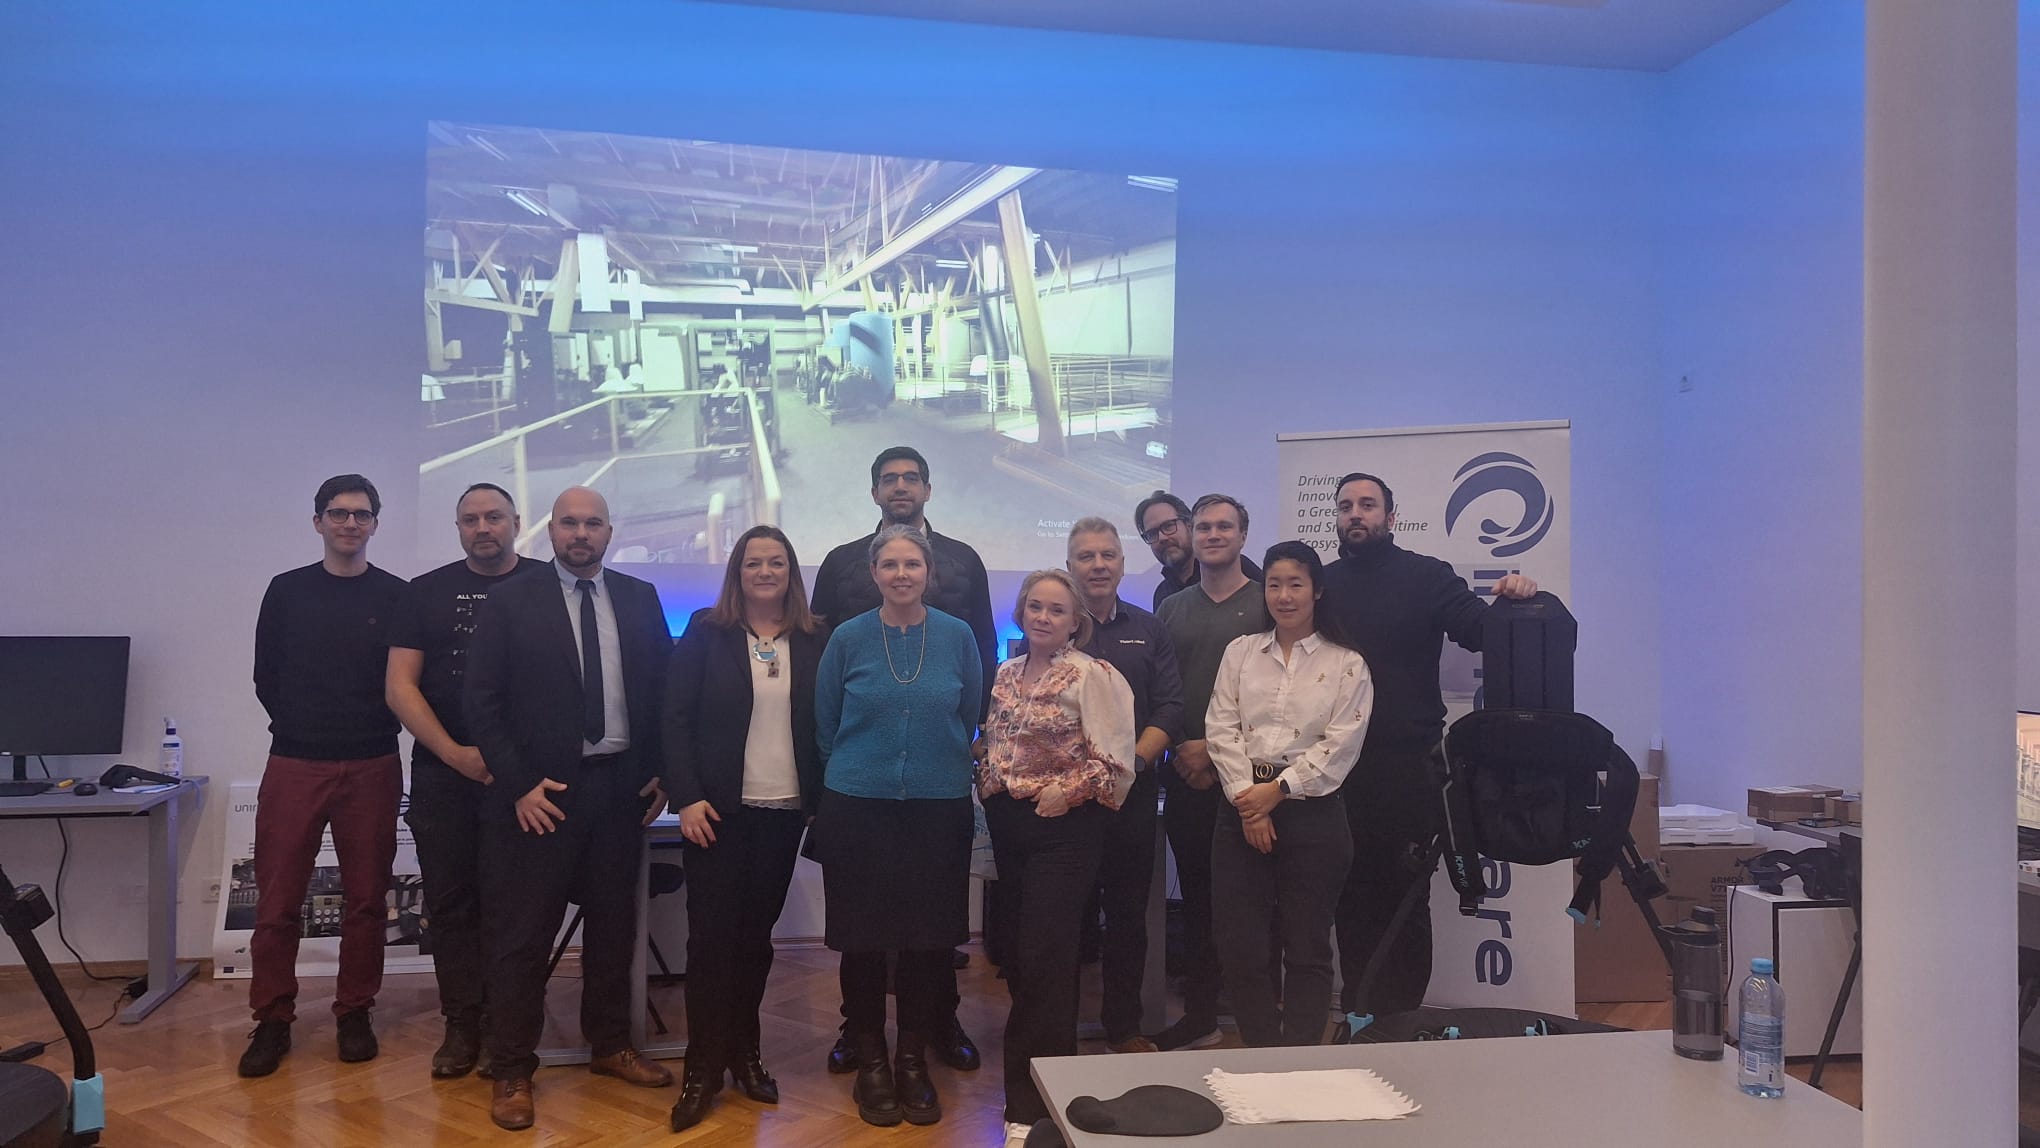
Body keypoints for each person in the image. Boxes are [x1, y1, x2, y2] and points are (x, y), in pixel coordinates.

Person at [463, 486, 675, 1132]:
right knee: (523, 936)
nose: (580, 534)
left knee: (614, 928)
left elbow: (663, 691)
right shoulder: (511, 600)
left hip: (619, 790)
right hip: (541, 795)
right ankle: (512, 1069)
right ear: (550, 531)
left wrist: (661, 771)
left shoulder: (639, 598)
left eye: (592, 524)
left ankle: (610, 1044)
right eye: (569, 524)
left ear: (610, 532)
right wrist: (519, 785)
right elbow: (481, 702)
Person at [1322, 472, 1538, 1020]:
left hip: (1408, 770)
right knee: (1350, 897)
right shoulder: (1321, 585)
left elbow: (1482, 631)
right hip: (1334, 770)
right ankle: (1360, 1016)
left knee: (1406, 898)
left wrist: (1513, 598)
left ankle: (1402, 1021)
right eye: (1346, 506)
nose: (1355, 514)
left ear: (1391, 517)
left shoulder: (1427, 576)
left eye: (1367, 504)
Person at [811, 446, 994, 1074]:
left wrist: (951, 751)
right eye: (889, 564)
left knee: (932, 932)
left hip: (937, 796)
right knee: (862, 932)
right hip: (860, 797)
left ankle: (930, 1031)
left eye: (911, 563)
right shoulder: (844, 606)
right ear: (873, 570)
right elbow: (827, 718)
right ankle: (862, 1037)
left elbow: (972, 696)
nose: (900, 572)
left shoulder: (961, 597)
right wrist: (857, 766)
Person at [239, 474, 407, 1078]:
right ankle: (272, 1018)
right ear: (318, 522)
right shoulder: (286, 591)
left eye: (361, 514)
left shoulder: (396, 595)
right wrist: (302, 726)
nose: (349, 523)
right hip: (296, 760)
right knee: (278, 901)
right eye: (338, 513)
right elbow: (265, 674)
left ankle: (354, 1011)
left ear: (375, 524)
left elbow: (406, 681)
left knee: (366, 899)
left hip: (373, 763)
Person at [660, 526, 828, 1132]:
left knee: (755, 942)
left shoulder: (815, 636)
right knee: (710, 944)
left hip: (783, 811)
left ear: (791, 571)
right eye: (753, 562)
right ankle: (701, 1068)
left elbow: (828, 722)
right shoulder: (706, 630)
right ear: (737, 571)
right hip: (716, 815)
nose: (764, 571)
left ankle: (745, 1053)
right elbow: (674, 718)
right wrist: (687, 798)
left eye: (776, 562)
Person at [384, 483, 546, 1079]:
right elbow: (400, 687)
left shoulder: (547, 585)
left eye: (494, 517)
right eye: (471, 519)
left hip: (524, 782)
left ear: (516, 522)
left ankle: (509, 1025)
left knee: (515, 911)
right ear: (458, 528)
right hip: (443, 776)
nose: (483, 528)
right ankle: (461, 1024)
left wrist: (514, 765)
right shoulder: (423, 592)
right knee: (451, 907)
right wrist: (454, 754)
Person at [980, 568, 1135, 1141]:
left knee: (1045, 959)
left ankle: (1027, 1110)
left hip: (1065, 829)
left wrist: (1062, 793)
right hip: (1010, 827)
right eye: (1035, 607)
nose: (1043, 617)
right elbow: (999, 740)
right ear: (1021, 612)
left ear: (1075, 623)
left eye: (1056, 610)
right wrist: (989, 777)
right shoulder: (1006, 672)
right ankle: (1055, 1087)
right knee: (1022, 961)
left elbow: (1115, 764)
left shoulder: (1095, 676)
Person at [1207, 541, 1374, 1046]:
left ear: (1317, 591)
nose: (1284, 596)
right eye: (1275, 584)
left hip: (1312, 815)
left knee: (1306, 948)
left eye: (1295, 584)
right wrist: (1249, 802)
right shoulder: (1240, 652)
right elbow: (1221, 727)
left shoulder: (1347, 663)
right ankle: (1262, 1052)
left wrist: (1277, 792)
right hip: (1240, 810)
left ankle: (1299, 1058)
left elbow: (1341, 745)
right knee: (1241, 947)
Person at [1152, 493, 1271, 1050]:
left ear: (1244, 535)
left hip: (1254, 781)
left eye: (1225, 526)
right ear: (1192, 535)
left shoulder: (1268, 602)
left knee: (1255, 902)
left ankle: (1261, 1021)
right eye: (1204, 527)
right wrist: (1183, 747)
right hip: (1188, 776)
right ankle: (1200, 1015)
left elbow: (1280, 695)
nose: (1213, 534)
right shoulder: (1172, 609)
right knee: (1199, 901)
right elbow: (1162, 690)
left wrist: (1217, 752)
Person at [1066, 517, 1184, 1054]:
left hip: (1131, 796)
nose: (1098, 565)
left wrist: (1129, 766)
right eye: (1086, 556)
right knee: (1066, 919)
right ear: (1070, 565)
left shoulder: (1149, 628)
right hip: (1066, 803)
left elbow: (1170, 706)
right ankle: (1056, 1026)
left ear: (1121, 563)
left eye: (1107, 555)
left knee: (1129, 917)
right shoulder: (1053, 623)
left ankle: (1124, 1027)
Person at [1136, 490, 1262, 611]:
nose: (1162, 538)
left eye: (1168, 526)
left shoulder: (1239, 569)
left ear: (1189, 526)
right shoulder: (1162, 595)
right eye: (1152, 533)